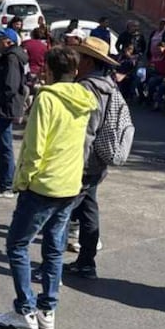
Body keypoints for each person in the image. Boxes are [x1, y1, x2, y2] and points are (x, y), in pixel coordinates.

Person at [0, 47, 97, 329]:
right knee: (53, 248)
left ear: (49, 70)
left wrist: (22, 180)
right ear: (75, 72)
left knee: (17, 244)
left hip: (43, 184)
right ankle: (47, 309)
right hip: (69, 184)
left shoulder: (47, 100)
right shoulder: (85, 99)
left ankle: (25, 310)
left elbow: (35, 146)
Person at [65, 37, 123, 280]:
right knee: (89, 209)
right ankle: (86, 262)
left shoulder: (86, 88)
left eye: (81, 56)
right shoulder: (109, 86)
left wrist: (73, 161)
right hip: (99, 158)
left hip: (83, 160)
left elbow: (86, 129)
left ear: (89, 61)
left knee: (62, 213)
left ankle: (52, 265)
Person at [0, 27, 29, 199]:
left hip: (4, 108)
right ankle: (4, 181)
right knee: (1, 146)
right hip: (1, 107)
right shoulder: (8, 57)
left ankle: (7, 184)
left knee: (4, 146)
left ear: (8, 41)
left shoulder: (11, 59)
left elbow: (10, 86)